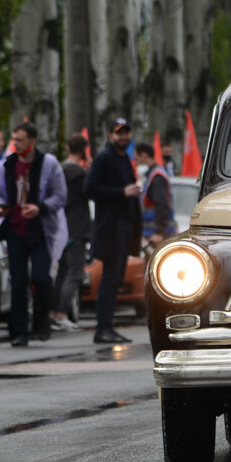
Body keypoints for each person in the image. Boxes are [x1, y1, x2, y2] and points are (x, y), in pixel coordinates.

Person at [0, 121, 68, 346]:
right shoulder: (7, 165)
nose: (15, 144)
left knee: (41, 278)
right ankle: (19, 331)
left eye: (20, 140)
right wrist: (1, 206)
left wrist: (40, 207)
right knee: (18, 281)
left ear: (32, 141)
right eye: (13, 139)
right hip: (15, 230)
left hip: (41, 231)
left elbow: (61, 195)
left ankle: (42, 324)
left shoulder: (48, 163)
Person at [85, 118, 142, 344]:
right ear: (110, 135)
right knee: (109, 279)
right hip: (110, 229)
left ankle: (108, 326)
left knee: (116, 278)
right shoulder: (104, 158)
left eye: (126, 133)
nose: (123, 137)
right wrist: (122, 192)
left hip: (124, 228)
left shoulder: (124, 158)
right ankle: (103, 328)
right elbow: (90, 188)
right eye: (119, 133)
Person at [51, 134, 91, 332]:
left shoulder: (58, 171)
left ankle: (55, 313)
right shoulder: (81, 175)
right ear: (84, 150)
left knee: (62, 273)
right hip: (78, 227)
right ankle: (61, 313)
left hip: (61, 227)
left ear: (67, 148)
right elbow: (90, 193)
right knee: (75, 273)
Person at [138, 142, 176, 245]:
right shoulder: (153, 175)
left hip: (159, 235)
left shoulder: (157, 176)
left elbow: (162, 205)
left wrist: (159, 232)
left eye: (137, 157)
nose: (136, 160)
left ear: (144, 155)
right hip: (155, 234)